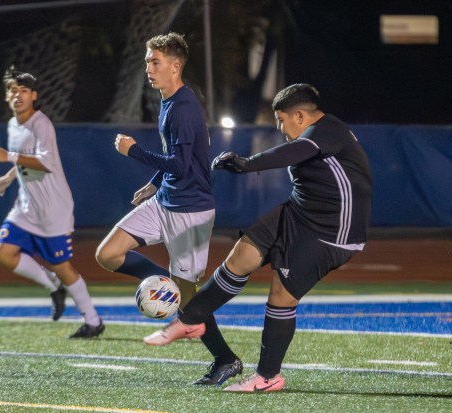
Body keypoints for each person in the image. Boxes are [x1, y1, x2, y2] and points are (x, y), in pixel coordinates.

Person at [143, 83, 373, 392]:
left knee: (281, 294)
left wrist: (249, 164)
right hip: (298, 211)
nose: (279, 127)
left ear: (301, 116)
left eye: (281, 119)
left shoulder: (326, 131)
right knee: (243, 254)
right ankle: (192, 319)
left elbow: (297, 151)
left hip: (332, 230)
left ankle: (267, 377)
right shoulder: (313, 132)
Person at [95, 32, 243, 385]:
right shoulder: (170, 100)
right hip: (165, 201)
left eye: (155, 61)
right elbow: (179, 160)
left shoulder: (184, 107)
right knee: (108, 254)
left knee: (190, 304)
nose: (148, 67)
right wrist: (154, 184)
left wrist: (134, 151)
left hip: (190, 212)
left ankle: (226, 359)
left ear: (175, 66)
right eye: (148, 60)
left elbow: (181, 163)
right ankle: (170, 283)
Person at [0, 66, 104, 339]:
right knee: (3, 254)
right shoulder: (12, 125)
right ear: (7, 97)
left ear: (34, 96)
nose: (18, 96)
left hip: (53, 211)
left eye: (23, 91)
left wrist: (8, 158)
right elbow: (22, 158)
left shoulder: (42, 124)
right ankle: (52, 285)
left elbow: (46, 163)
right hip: (26, 207)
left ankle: (93, 320)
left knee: (63, 267)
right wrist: (7, 177)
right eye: (13, 91)